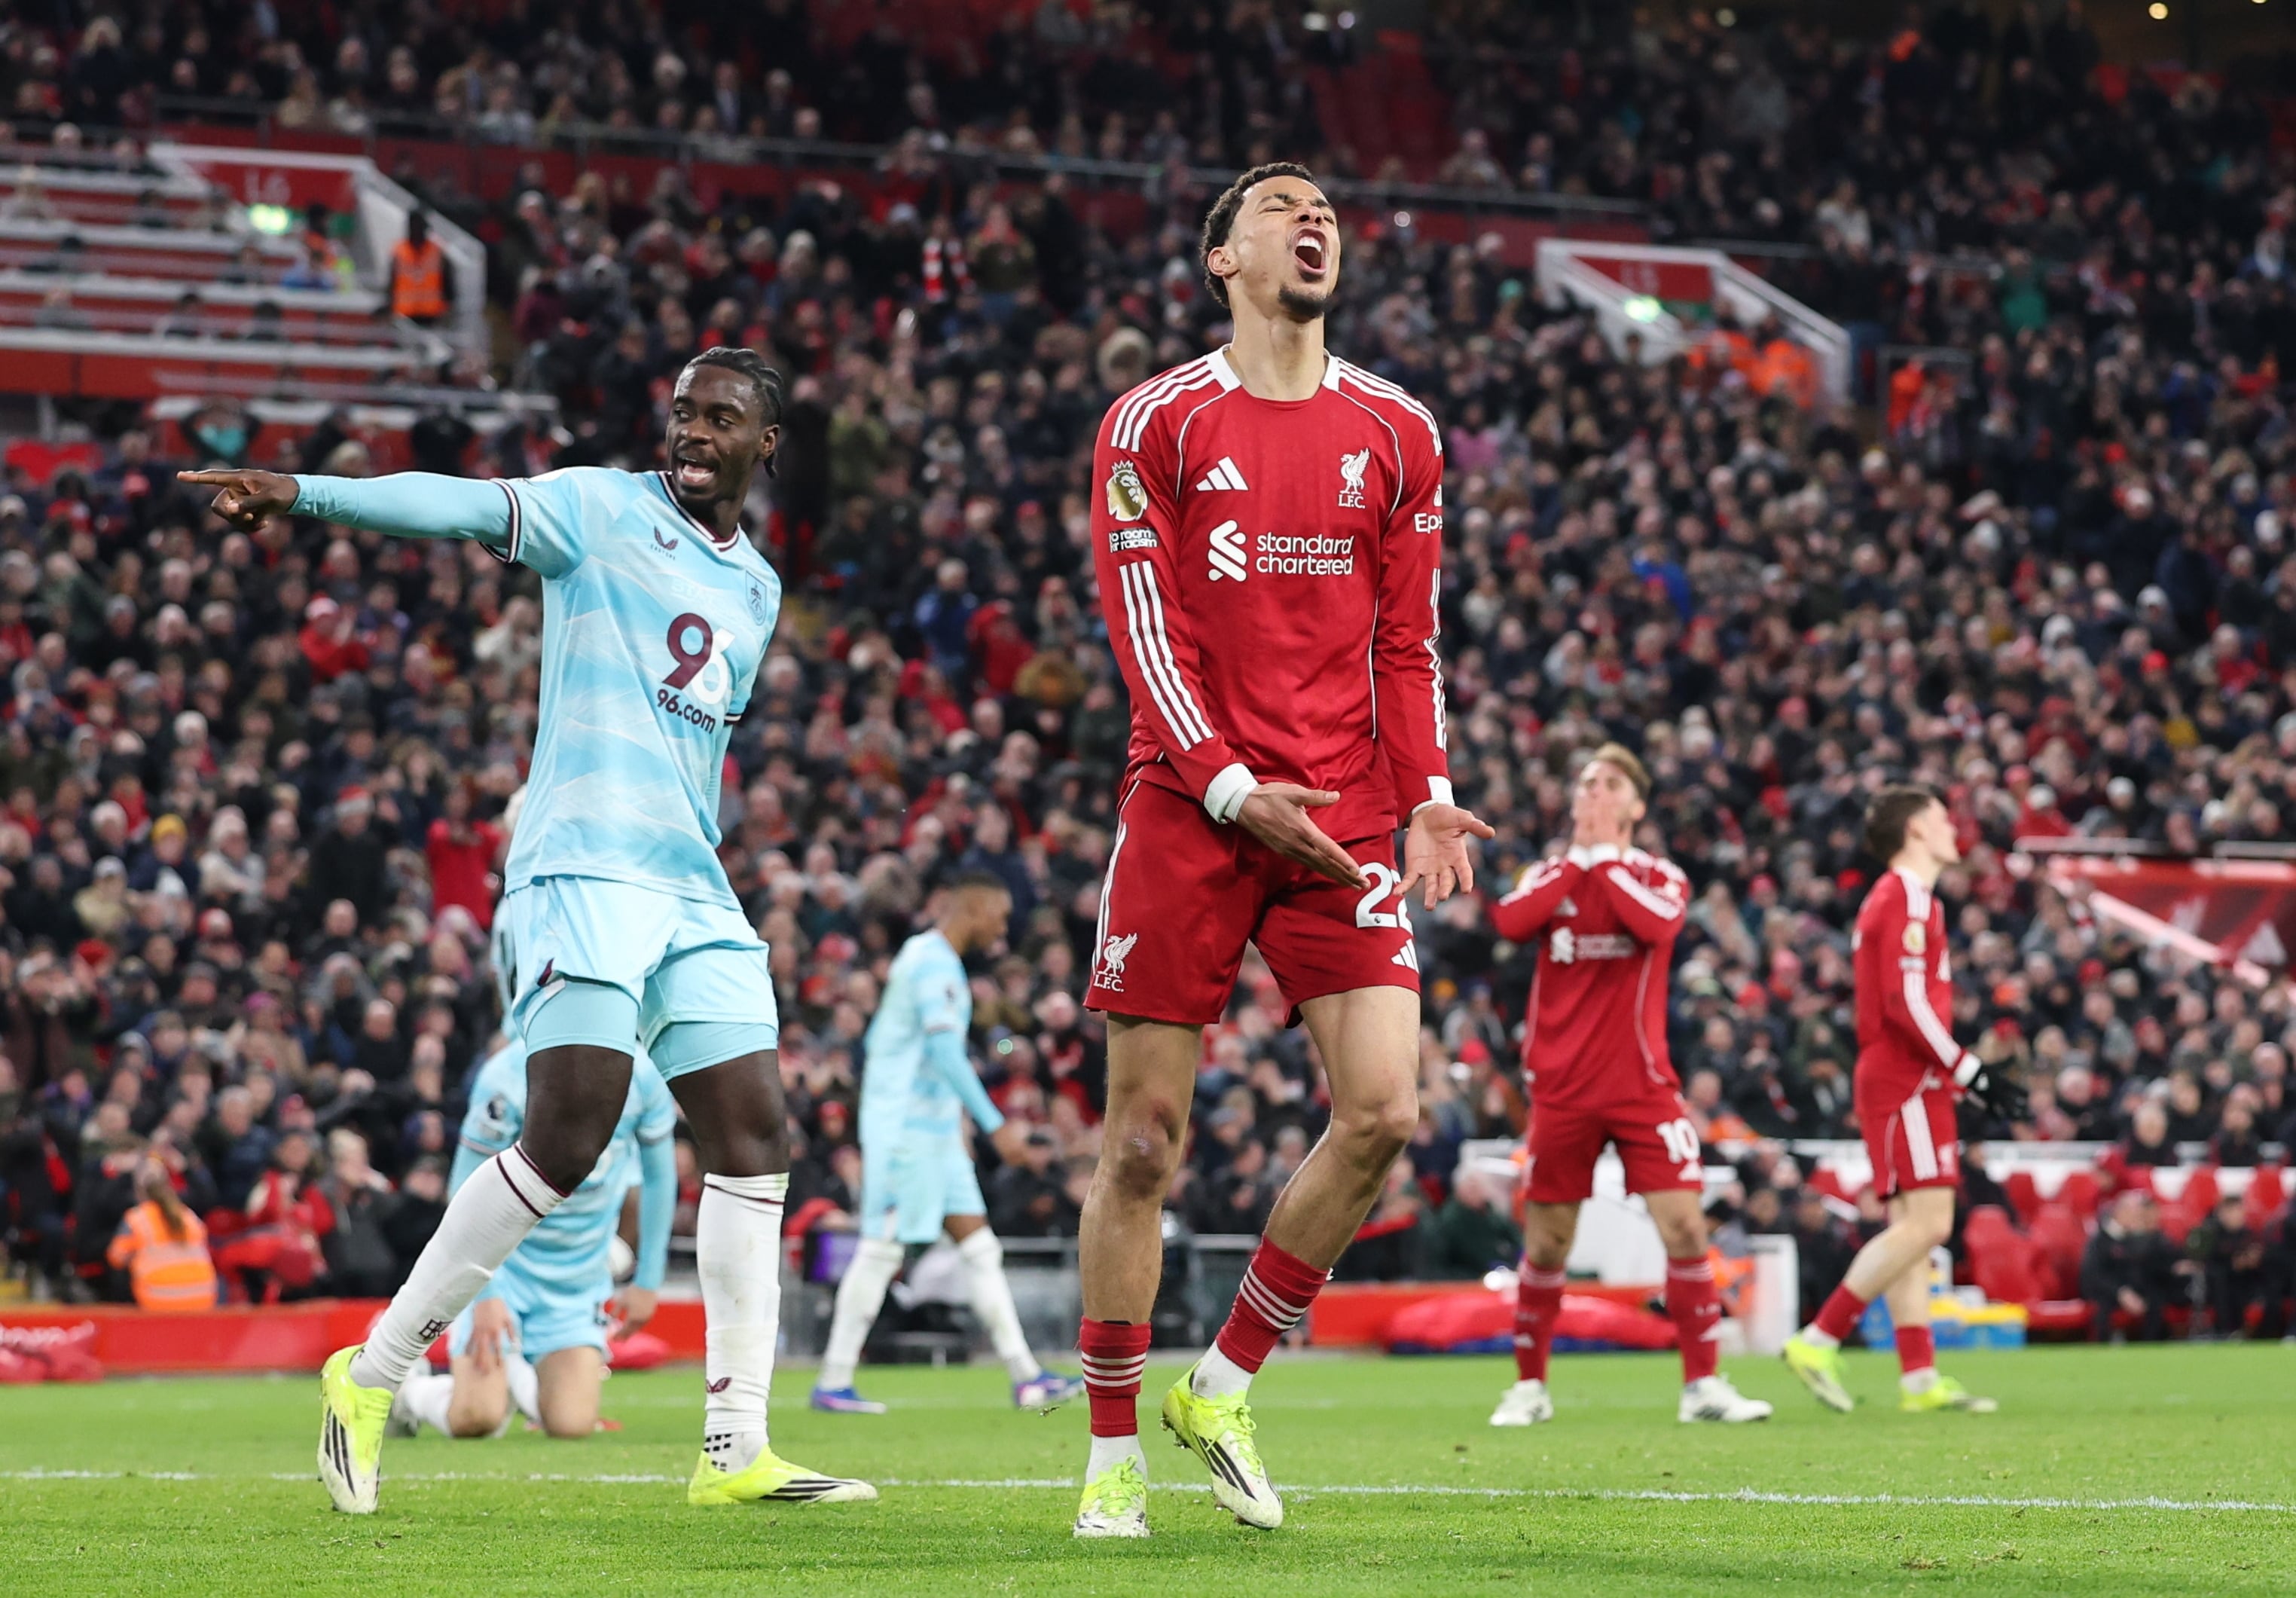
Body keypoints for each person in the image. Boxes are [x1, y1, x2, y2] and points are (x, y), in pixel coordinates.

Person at [180, 344, 872, 1515]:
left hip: (690, 882)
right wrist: (306, 492)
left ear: (766, 444)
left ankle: (735, 1446)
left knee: (756, 1134)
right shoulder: (599, 510)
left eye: (721, 419)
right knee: (570, 1132)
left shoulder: (756, 588)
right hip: (582, 864)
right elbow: (454, 508)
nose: (694, 433)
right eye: (682, 414)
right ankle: (376, 1368)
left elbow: (697, 743)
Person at [1071, 161, 1491, 1538]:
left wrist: (1426, 788)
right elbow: (1144, 629)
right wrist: (1225, 783)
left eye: (1324, 210)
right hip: (1189, 805)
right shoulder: (1155, 421)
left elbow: (1406, 639)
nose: (1312, 221)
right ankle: (1112, 1451)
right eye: (1278, 206)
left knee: (1383, 1111)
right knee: (1141, 1142)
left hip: (1346, 816)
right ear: (1220, 259)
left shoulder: (1399, 429)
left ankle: (1225, 1382)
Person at [1483, 746, 1772, 1428]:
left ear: (1636, 806)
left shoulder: (1656, 874)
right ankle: (1530, 1387)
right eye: (1585, 782)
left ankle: (1702, 1385)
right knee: (1549, 1242)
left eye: (1610, 784)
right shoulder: (1550, 874)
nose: (1594, 793)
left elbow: (1657, 925)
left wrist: (1604, 858)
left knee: (1685, 1226)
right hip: (1561, 1089)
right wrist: (1579, 862)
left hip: (1642, 1085)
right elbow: (1511, 921)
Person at [1782, 786, 2026, 1414]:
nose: (1954, 830)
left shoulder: (1902, 899)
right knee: (1930, 1224)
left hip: (1904, 1077)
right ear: (1916, 830)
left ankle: (1919, 1377)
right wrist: (1971, 1070)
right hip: (1906, 1079)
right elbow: (1905, 1002)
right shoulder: (1907, 899)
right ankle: (1820, 1336)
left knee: (1911, 1231)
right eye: (1942, 818)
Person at [810, 872, 1083, 1414]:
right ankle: (834, 1379)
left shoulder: (939, 962)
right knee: (882, 1246)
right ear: (975, 907)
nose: (1002, 927)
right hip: (907, 1130)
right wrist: (994, 1123)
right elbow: (943, 1052)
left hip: (933, 1130)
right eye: (999, 915)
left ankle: (1026, 1375)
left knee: (981, 1249)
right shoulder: (931, 961)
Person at [388, 1032, 673, 1441]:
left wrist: (648, 1281)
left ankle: (514, 1374)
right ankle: (410, 1393)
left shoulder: (642, 1076)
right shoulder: (506, 1075)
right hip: (502, 1266)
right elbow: (464, 1184)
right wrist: (484, 1294)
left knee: (572, 1425)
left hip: (577, 1278)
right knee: (477, 1419)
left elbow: (660, 1177)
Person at [105, 1156, 218, 1311]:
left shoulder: (136, 1218)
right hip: (203, 1298)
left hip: (160, 1301)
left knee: (121, 1273)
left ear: (137, 1189)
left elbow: (115, 1258)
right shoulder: (188, 1215)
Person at [2080, 1189, 2182, 1342]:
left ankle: (2150, 1345)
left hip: (2131, 1289)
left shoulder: (2135, 1238)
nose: (2138, 1218)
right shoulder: (2100, 1240)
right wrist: (2121, 1292)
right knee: (2102, 1309)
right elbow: (2093, 1274)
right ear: (2121, 1212)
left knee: (2156, 1298)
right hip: (2106, 1292)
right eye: (2135, 1213)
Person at [388, 209, 450, 325]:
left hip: (432, 314)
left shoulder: (435, 251)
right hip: (405, 313)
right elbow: (392, 281)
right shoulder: (399, 251)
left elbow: (448, 281)